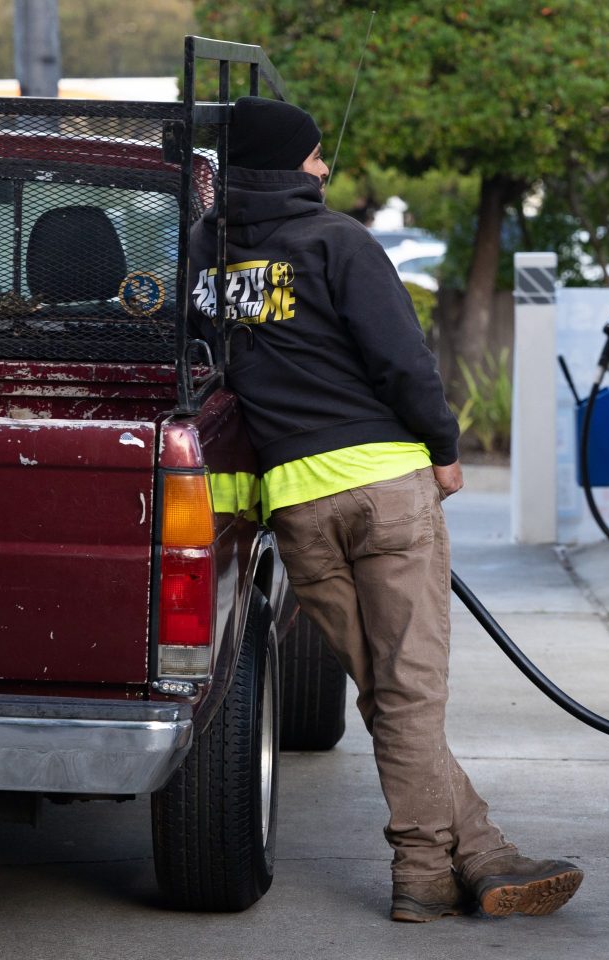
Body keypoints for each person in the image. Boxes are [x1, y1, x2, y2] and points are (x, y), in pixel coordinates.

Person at [188, 95, 583, 922]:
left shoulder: (209, 266)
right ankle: (420, 875)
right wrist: (443, 447)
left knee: (385, 692)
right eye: (315, 157)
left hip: (298, 507)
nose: (324, 169)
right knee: (409, 694)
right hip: (384, 491)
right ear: (287, 167)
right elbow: (404, 363)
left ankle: (479, 852)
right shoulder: (339, 242)